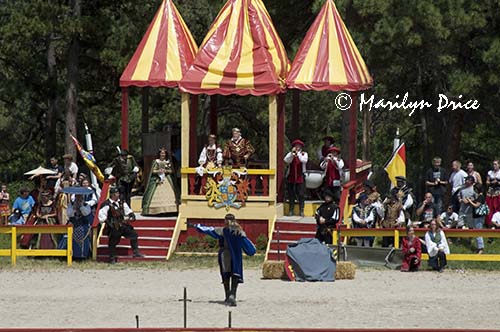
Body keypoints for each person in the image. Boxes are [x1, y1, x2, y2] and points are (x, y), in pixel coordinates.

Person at [191, 214, 256, 306]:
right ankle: (233, 295)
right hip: (236, 255)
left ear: (225, 221)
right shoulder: (240, 232)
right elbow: (248, 245)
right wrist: (251, 251)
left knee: (226, 274)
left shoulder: (222, 231)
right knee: (235, 274)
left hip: (225, 254)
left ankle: (227, 295)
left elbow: (209, 230)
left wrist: (197, 226)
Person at [98, 187, 144, 263]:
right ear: (112, 195)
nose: (118, 195)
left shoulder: (121, 202)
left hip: (122, 224)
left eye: (118, 193)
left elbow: (127, 210)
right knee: (113, 241)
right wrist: (108, 223)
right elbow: (102, 216)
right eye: (116, 193)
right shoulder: (106, 204)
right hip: (113, 226)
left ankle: (136, 252)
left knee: (134, 234)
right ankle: (112, 258)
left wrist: (131, 214)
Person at [142, 148, 179, 215]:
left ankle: (170, 210)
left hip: (166, 178)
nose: (163, 154)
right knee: (152, 192)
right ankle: (155, 210)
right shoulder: (156, 161)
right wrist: (158, 171)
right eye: (161, 153)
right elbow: (153, 171)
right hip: (157, 179)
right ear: (159, 154)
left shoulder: (168, 161)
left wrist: (166, 171)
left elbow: (171, 171)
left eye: (164, 153)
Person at [284, 139, 308, 217]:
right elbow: (286, 160)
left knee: (301, 194)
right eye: (296, 146)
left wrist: (298, 154)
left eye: (298, 146)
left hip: (300, 176)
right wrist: (292, 154)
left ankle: (301, 210)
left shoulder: (304, 154)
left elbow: (304, 160)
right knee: (291, 194)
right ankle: (291, 210)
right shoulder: (290, 154)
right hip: (291, 176)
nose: (297, 147)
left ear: (301, 147)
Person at [67, 193, 93, 258]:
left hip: (83, 225)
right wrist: (74, 208)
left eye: (80, 196)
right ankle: (73, 255)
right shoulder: (71, 204)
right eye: (77, 196)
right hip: (74, 225)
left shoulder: (86, 205)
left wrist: (81, 206)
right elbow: (69, 214)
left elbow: (86, 213)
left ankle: (83, 255)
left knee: (84, 240)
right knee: (73, 240)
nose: (78, 198)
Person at [469, 183, 486, 254]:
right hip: (476, 217)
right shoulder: (478, 196)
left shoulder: (481, 197)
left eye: (475, 189)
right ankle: (478, 247)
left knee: (478, 232)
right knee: (476, 232)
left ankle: (481, 248)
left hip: (479, 217)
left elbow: (477, 205)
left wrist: (470, 201)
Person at [485, 160, 500, 227]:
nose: (494, 166)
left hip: (498, 191)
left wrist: (497, 182)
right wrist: (490, 182)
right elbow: (487, 182)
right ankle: (489, 223)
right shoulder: (490, 172)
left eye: (496, 164)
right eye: (493, 164)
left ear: (499, 165)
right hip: (490, 191)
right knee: (489, 207)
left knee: (496, 207)